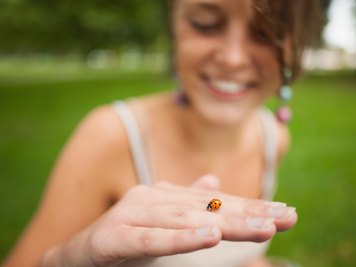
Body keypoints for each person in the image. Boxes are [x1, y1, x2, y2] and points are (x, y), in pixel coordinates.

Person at [2, 0, 323, 266]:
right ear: (172, 25)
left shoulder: (275, 138)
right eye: (205, 24)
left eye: (265, 32)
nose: (233, 58)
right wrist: (66, 259)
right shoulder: (108, 135)